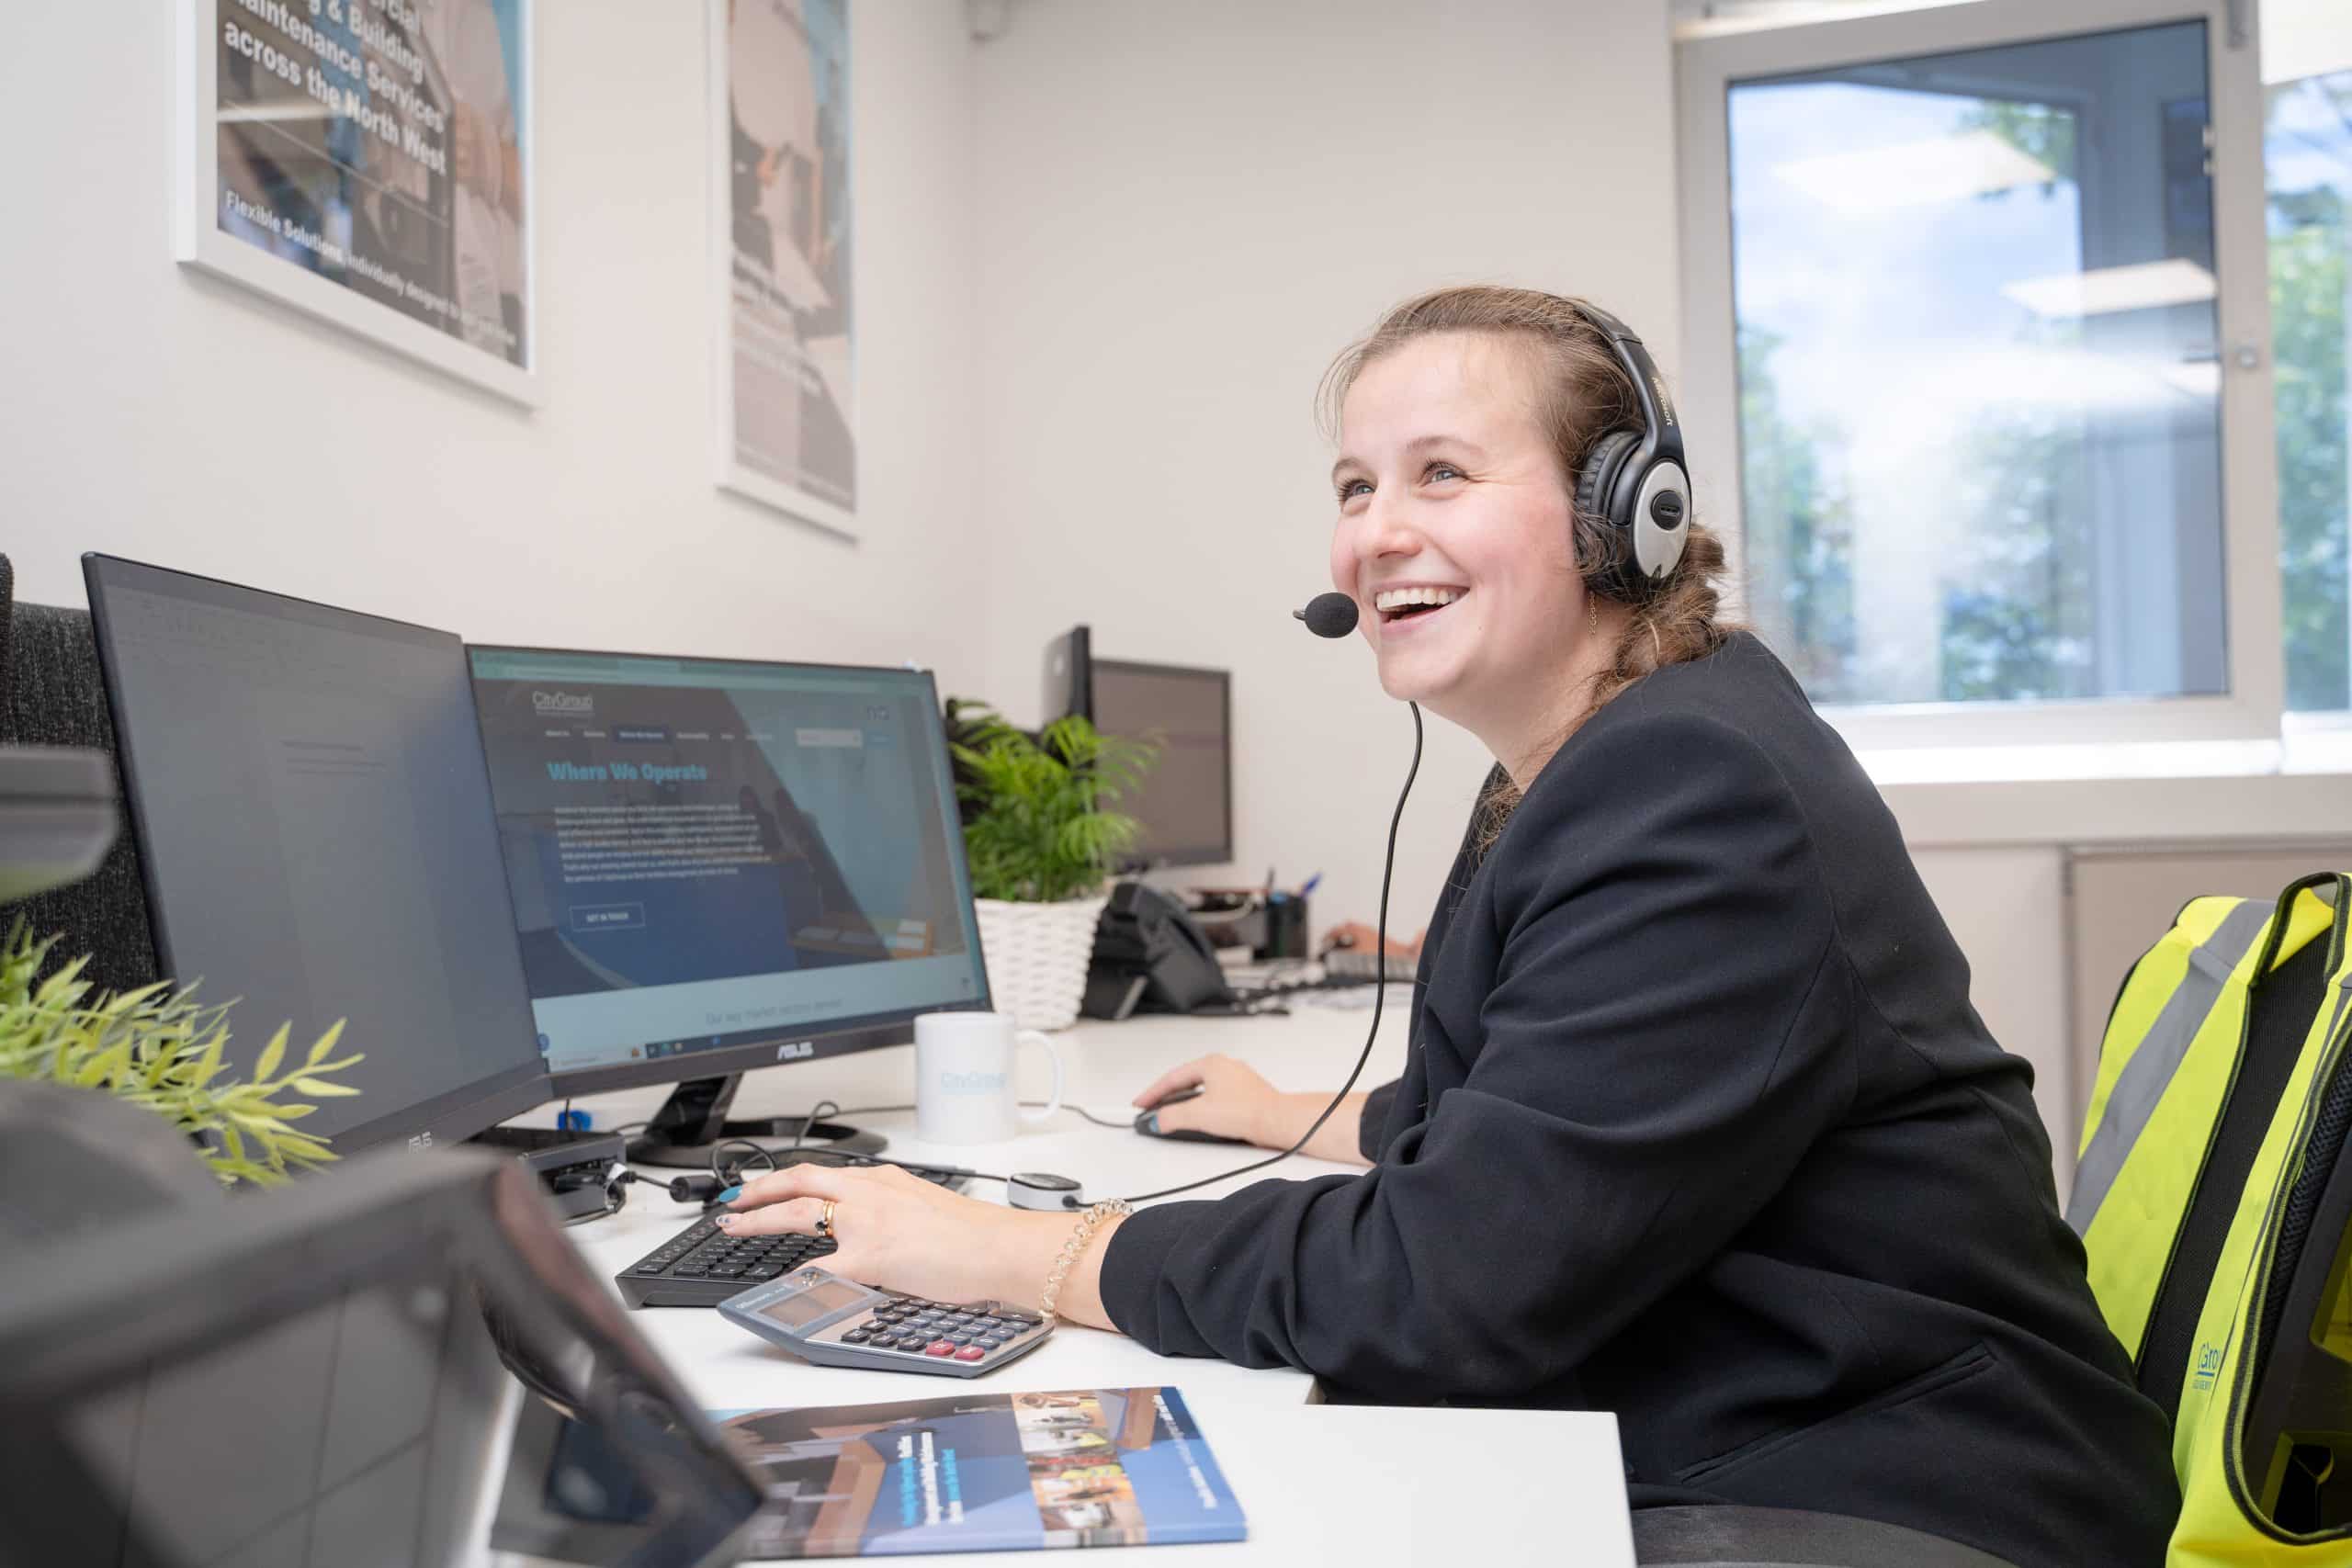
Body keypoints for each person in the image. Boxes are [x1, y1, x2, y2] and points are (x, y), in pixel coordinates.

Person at [718, 285, 2179, 1566]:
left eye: (1442, 473)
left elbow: (1451, 1280)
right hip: (1765, 1418)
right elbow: (1553, 1120)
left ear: (1625, 515)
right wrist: (1309, 1113)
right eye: (1356, 487)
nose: (1377, 533)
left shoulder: (1694, 787)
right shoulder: (1607, 758)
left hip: (1896, 1490)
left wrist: (1020, 1256)